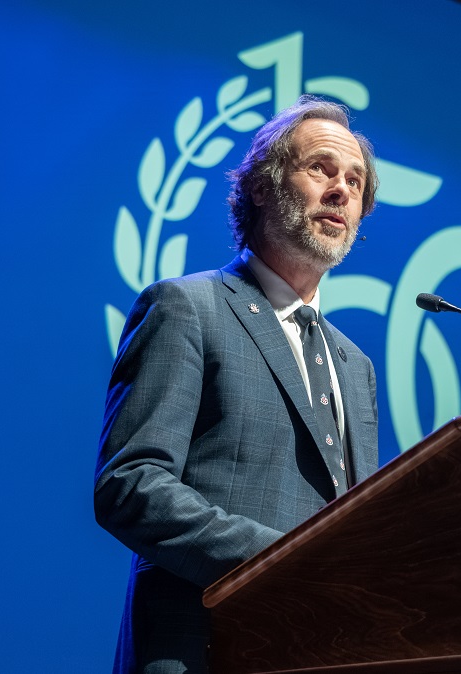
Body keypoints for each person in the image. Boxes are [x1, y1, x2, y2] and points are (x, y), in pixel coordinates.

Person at [95, 95, 380, 674]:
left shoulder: (357, 365)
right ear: (261, 186)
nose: (342, 191)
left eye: (356, 181)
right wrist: (277, 562)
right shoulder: (187, 308)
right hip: (204, 649)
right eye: (322, 168)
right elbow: (130, 484)